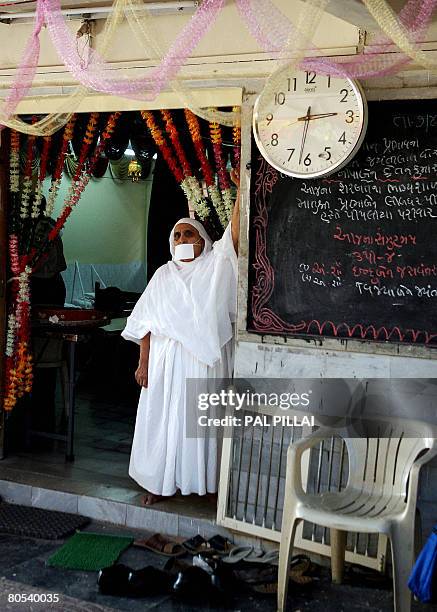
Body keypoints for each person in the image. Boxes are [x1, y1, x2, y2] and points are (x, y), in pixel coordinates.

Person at [122, 169, 240, 505]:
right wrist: (143, 364)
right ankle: (161, 483)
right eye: (177, 236)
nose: (183, 241)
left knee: (201, 421)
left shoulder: (215, 266)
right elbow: (144, 323)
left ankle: (205, 484)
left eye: (189, 235)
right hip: (165, 362)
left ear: (203, 240)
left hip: (202, 362)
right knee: (166, 421)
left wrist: (242, 189)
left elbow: (233, 237)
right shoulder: (163, 275)